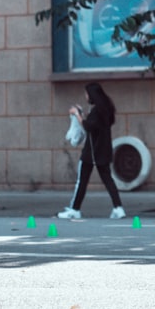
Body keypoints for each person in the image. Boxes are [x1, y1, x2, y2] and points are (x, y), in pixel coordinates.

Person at [57, 82, 126, 219]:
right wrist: (81, 114)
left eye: (87, 93)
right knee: (108, 180)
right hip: (103, 149)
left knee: (81, 181)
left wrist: (77, 114)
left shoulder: (97, 111)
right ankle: (118, 208)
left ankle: (74, 209)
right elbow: (93, 124)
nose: (86, 96)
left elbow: (88, 126)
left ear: (92, 95)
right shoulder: (105, 109)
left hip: (92, 152)